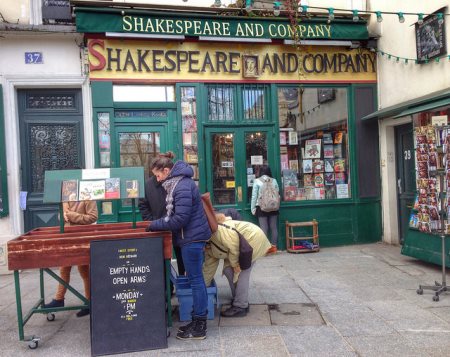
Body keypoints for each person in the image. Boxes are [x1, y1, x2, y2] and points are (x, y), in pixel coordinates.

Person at [146, 151, 211, 340]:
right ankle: (196, 320)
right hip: (189, 237)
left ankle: (200, 325)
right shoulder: (178, 183)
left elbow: (180, 219)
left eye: (158, 175)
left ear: (166, 170)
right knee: (195, 280)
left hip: (192, 239)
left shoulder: (181, 186)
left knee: (196, 281)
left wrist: (154, 225)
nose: (157, 180)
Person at [203, 213, 271, 317]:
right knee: (227, 270)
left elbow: (234, 246)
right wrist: (202, 286)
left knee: (242, 272)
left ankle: (240, 306)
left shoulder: (218, 232)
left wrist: (235, 265)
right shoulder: (208, 243)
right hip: (240, 246)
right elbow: (209, 268)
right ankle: (239, 298)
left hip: (252, 240)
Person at [43, 200, 98, 317]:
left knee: (83, 271)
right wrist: (63, 216)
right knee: (64, 269)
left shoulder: (88, 198)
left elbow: (93, 217)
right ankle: (59, 299)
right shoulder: (67, 196)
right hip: (67, 237)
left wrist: (71, 215)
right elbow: (61, 215)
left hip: (81, 238)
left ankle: (89, 301)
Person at [139, 173, 185, 276]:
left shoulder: (177, 182)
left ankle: (184, 284)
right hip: (159, 227)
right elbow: (143, 205)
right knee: (162, 258)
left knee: (181, 256)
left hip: (177, 225)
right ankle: (167, 286)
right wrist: (152, 222)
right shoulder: (148, 185)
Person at [250, 165, 279, 253]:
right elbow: (277, 193)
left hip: (261, 207)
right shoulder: (274, 180)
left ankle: (264, 249)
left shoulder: (257, 181)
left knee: (264, 228)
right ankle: (274, 247)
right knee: (273, 227)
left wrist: (253, 208)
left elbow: (254, 196)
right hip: (273, 206)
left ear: (261, 172)